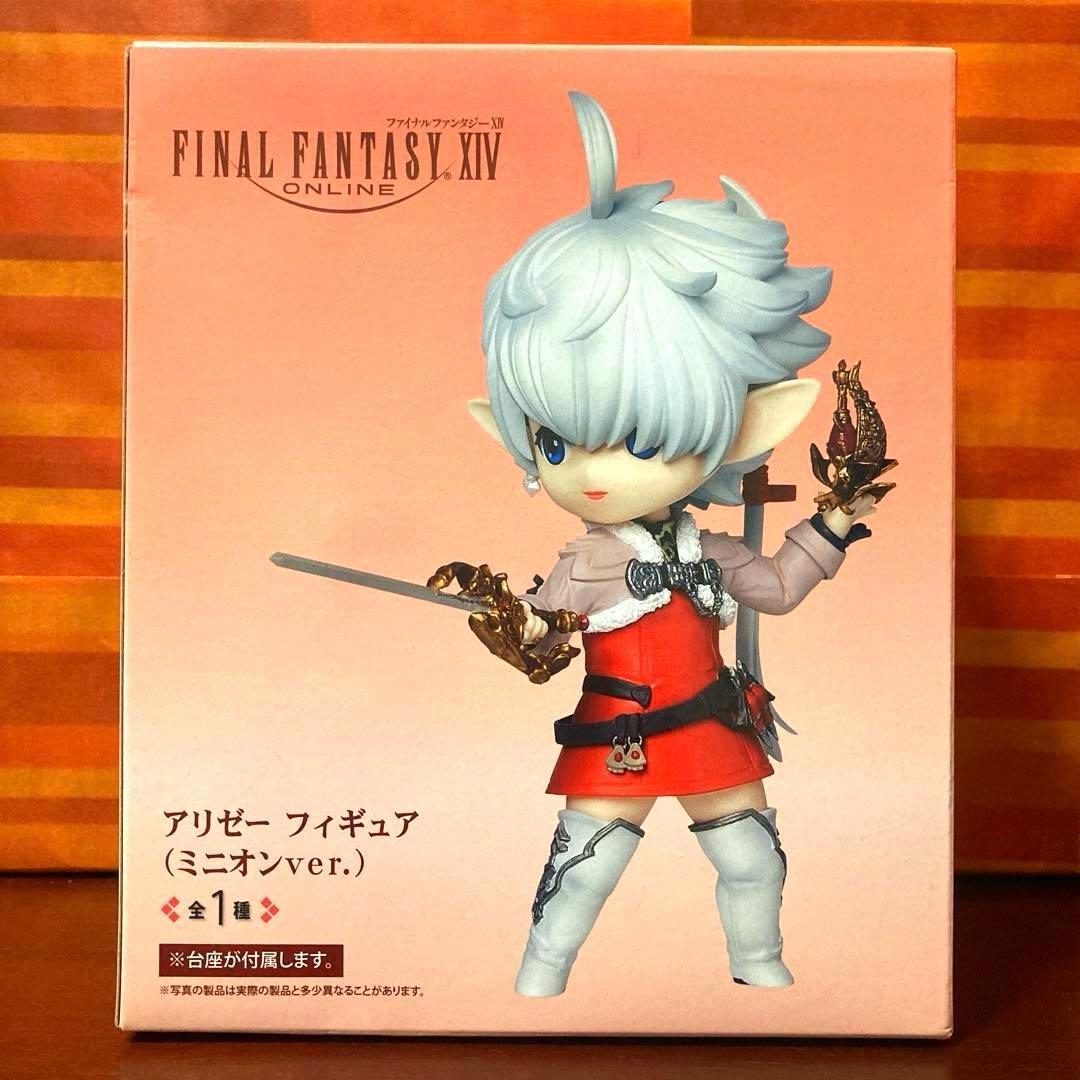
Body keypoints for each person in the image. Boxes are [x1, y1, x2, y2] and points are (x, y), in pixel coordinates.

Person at [466, 91, 878, 997]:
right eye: (555, 442)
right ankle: (541, 975)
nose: (593, 472)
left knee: (754, 861)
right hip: (619, 733)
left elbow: (776, 586)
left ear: (736, 426)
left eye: (638, 437)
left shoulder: (710, 551)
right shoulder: (587, 562)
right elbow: (541, 629)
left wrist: (833, 521)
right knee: (586, 869)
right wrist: (509, 621)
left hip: (712, 724)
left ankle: (758, 966)